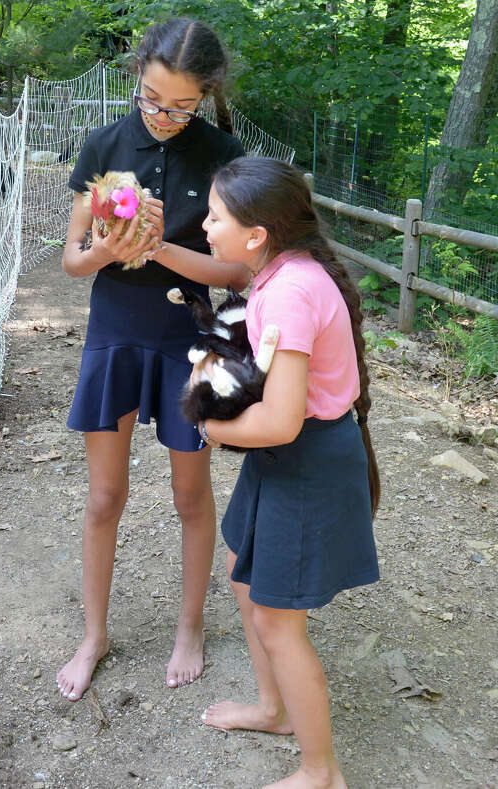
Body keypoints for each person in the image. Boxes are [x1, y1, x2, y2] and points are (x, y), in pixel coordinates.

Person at [57, 18, 250, 702]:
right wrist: (108, 250)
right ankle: (94, 635)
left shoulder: (224, 155)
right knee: (104, 496)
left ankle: (189, 626)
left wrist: (161, 246)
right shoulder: (105, 145)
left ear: (207, 95)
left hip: (186, 338)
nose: (163, 117)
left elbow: (236, 271)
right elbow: (72, 258)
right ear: (137, 74)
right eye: (151, 99)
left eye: (181, 106)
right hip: (114, 332)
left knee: (190, 495)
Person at [197, 156, 380, 789]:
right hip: (288, 458)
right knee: (242, 570)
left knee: (279, 619)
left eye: (214, 217)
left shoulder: (289, 291)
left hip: (306, 461)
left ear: (256, 234)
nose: (205, 225)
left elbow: (279, 422)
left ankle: (321, 771)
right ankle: (274, 709)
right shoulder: (280, 273)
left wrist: (209, 426)